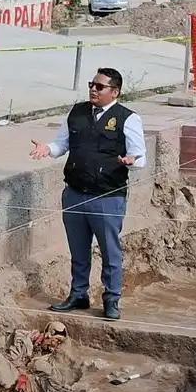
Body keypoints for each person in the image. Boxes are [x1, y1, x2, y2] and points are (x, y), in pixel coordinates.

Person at [30, 69, 145, 320]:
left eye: (100, 86)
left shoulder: (128, 118)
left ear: (114, 92)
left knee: (109, 251)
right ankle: (78, 294)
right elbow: (62, 144)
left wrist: (130, 161)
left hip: (107, 196)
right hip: (74, 193)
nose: (93, 89)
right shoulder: (78, 112)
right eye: (91, 84)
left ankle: (111, 299)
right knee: (78, 249)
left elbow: (140, 156)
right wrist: (46, 149)